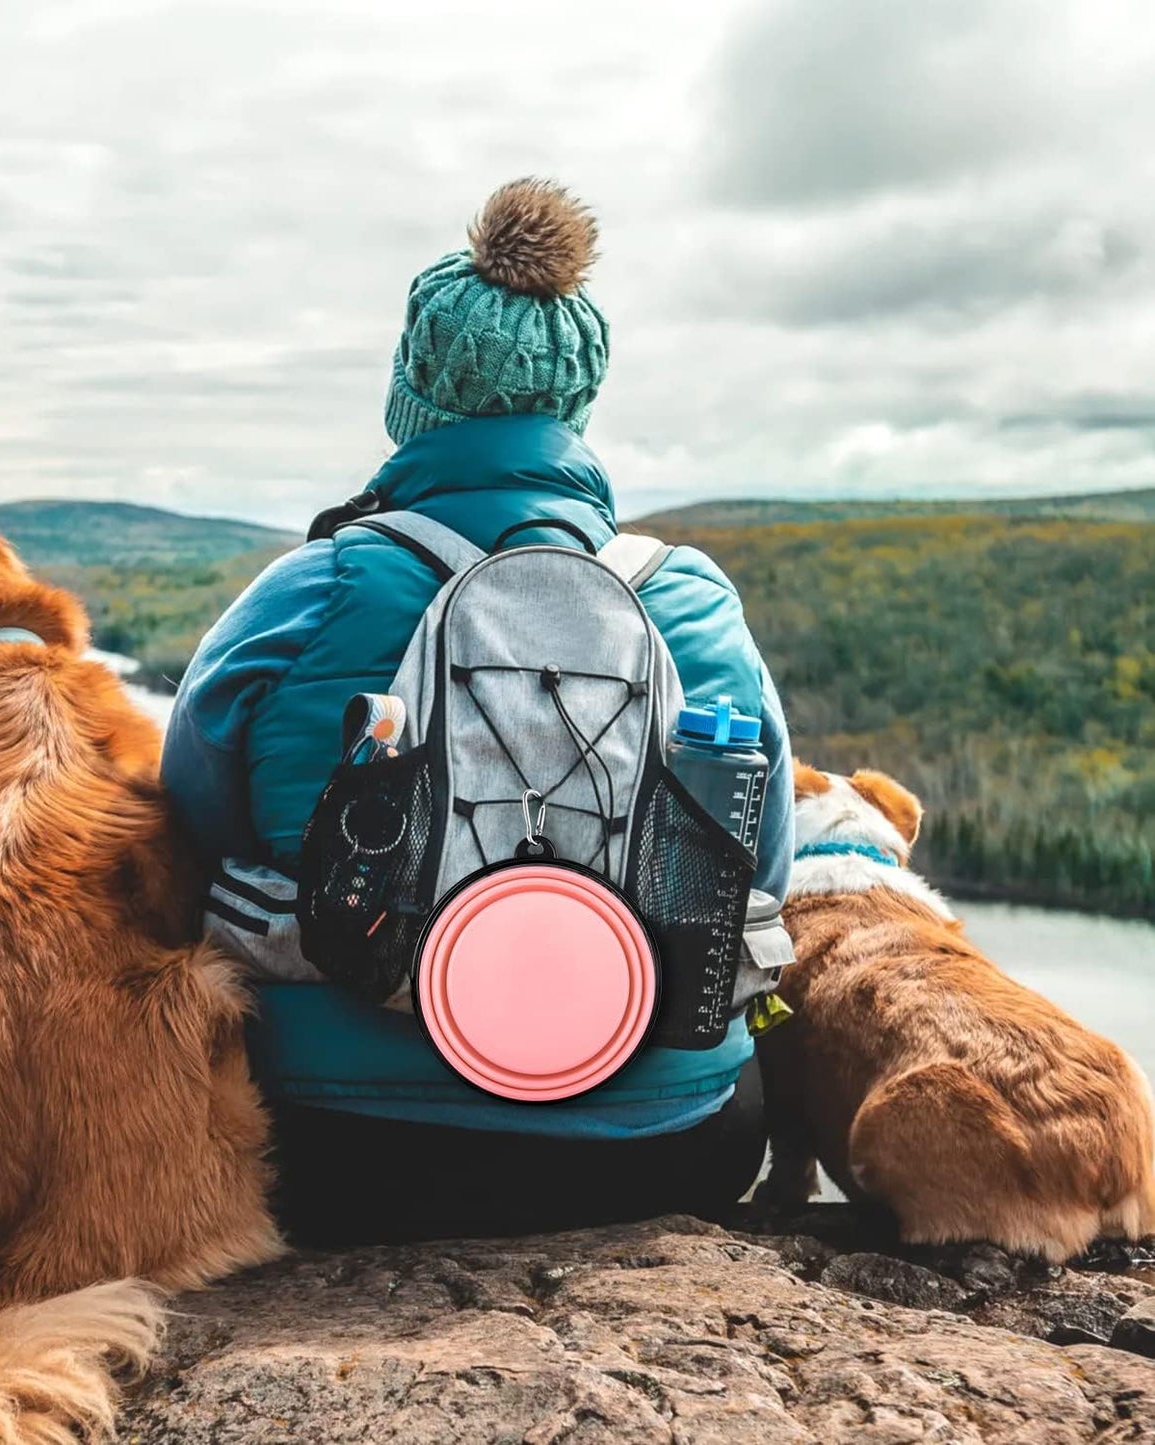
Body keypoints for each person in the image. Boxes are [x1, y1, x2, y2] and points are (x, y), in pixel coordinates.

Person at [161, 178, 794, 1245]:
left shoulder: (308, 590)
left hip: (337, 1145)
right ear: (576, 403)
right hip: (665, 1143)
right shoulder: (687, 599)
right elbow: (761, 869)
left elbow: (184, 829)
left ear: (413, 387)